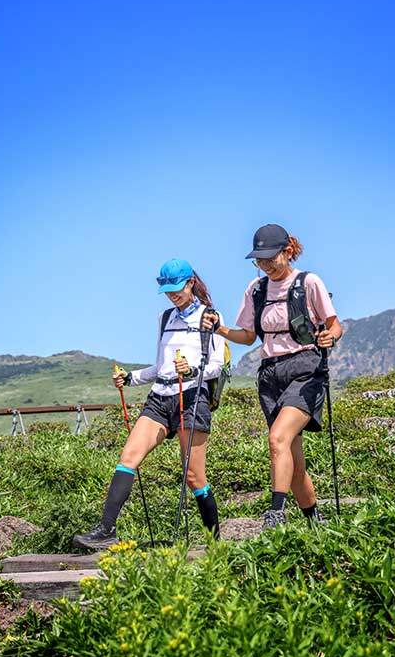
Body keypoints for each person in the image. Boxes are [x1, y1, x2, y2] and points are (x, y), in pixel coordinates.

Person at [73, 258, 225, 549]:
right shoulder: (165, 318)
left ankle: (215, 541)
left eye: (177, 289)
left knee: (194, 477)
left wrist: (192, 371)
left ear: (191, 283)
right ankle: (106, 530)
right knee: (128, 457)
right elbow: (160, 366)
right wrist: (130, 378)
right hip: (159, 397)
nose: (172, 294)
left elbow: (216, 365)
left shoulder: (209, 316)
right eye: (167, 290)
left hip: (192, 397)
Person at [203, 224, 342, 529]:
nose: (265, 266)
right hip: (269, 376)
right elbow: (248, 335)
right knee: (292, 461)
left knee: (277, 438)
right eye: (259, 261)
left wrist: (329, 336)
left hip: (306, 370)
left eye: (270, 259)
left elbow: (334, 324)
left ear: (288, 252)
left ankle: (275, 514)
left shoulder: (309, 282)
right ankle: (315, 523)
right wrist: (219, 329)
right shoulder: (256, 290)